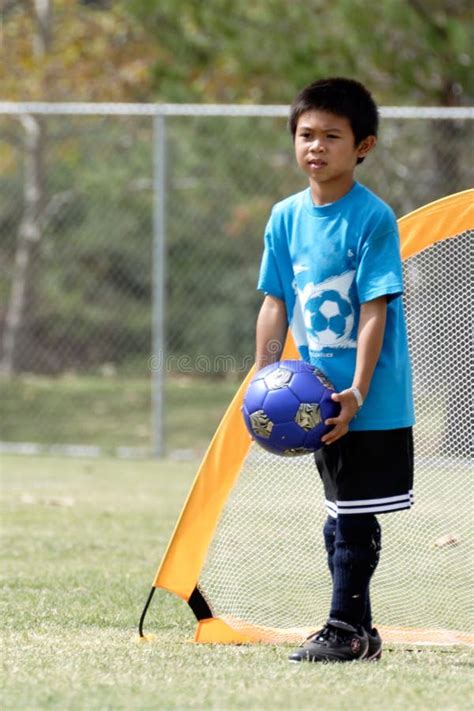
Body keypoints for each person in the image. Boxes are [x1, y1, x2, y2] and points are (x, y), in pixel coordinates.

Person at [255, 77, 415, 663]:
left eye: (331, 136)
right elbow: (275, 302)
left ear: (363, 146)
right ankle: (359, 631)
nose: (315, 147)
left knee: (351, 515)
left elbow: (374, 311)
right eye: (305, 135)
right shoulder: (284, 217)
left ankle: (345, 628)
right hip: (310, 395)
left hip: (366, 398)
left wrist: (358, 391)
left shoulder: (373, 219)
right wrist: (264, 374)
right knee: (340, 511)